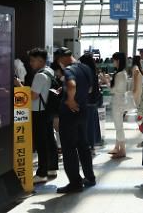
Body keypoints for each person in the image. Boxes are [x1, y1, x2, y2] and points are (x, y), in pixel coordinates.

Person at [54, 47, 96, 194]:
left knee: (69, 148)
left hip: (69, 113)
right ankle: (90, 177)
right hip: (83, 110)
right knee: (83, 146)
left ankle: (75, 183)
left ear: (61, 59)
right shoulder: (85, 68)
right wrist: (71, 92)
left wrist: (70, 99)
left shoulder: (69, 70)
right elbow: (89, 88)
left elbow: (72, 84)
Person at [28, 48, 59, 184]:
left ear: (40, 61)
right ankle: (52, 168)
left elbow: (33, 96)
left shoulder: (39, 76)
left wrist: (19, 86)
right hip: (48, 110)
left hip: (39, 111)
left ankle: (41, 173)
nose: (30, 63)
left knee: (41, 142)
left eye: (32, 60)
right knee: (50, 139)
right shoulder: (50, 71)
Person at [79, 53, 103, 152]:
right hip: (93, 101)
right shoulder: (94, 72)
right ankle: (92, 144)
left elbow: (89, 89)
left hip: (88, 101)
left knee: (88, 124)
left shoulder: (87, 73)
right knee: (92, 123)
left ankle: (89, 145)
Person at [105, 52, 127, 158]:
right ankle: (117, 147)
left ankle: (122, 149)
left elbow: (113, 90)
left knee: (118, 126)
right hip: (121, 101)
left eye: (113, 60)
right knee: (119, 125)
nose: (112, 62)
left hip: (118, 102)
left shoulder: (119, 74)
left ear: (118, 61)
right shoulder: (122, 73)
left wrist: (106, 81)